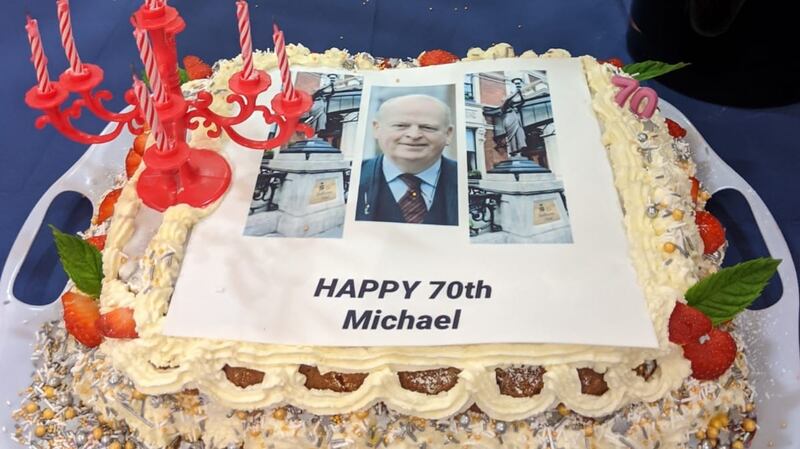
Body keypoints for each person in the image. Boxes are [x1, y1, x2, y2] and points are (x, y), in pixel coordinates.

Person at [356, 94, 458, 225]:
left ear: (448, 134)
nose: (414, 135)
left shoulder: (463, 178)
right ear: (377, 129)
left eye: (428, 127)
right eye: (400, 125)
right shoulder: (351, 177)